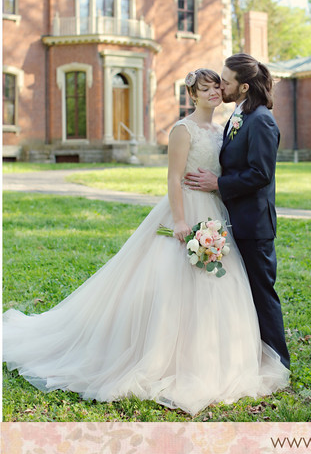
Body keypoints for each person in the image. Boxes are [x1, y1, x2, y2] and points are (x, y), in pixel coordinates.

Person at [3, 69, 289, 416]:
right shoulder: (182, 130)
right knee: (172, 284)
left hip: (216, 214)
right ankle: (164, 355)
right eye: (205, 88)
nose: (214, 92)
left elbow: (234, 171)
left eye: (217, 86)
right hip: (185, 211)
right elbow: (173, 177)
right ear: (191, 95)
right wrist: (181, 220)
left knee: (220, 284)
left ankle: (214, 354)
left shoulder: (224, 129)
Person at [185, 54, 291, 370]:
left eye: (226, 81)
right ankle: (249, 354)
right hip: (234, 219)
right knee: (242, 292)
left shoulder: (261, 120)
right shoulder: (238, 114)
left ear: (243, 87)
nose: (221, 85)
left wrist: (219, 182)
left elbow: (261, 173)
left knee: (261, 293)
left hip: (254, 225)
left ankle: (278, 362)